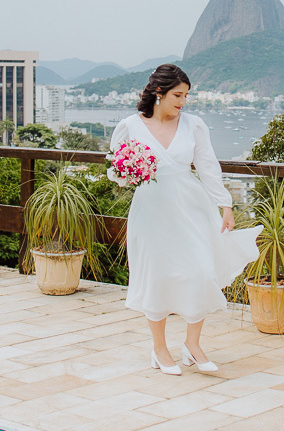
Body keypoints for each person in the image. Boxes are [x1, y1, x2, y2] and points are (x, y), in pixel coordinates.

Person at [109, 64, 260, 375]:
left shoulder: (194, 125)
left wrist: (225, 205)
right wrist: (128, 173)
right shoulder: (130, 126)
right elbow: (115, 170)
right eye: (178, 95)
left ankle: (192, 345)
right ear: (158, 93)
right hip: (151, 210)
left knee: (201, 272)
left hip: (192, 206)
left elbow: (207, 167)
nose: (183, 102)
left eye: (186, 96)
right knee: (158, 276)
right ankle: (159, 349)